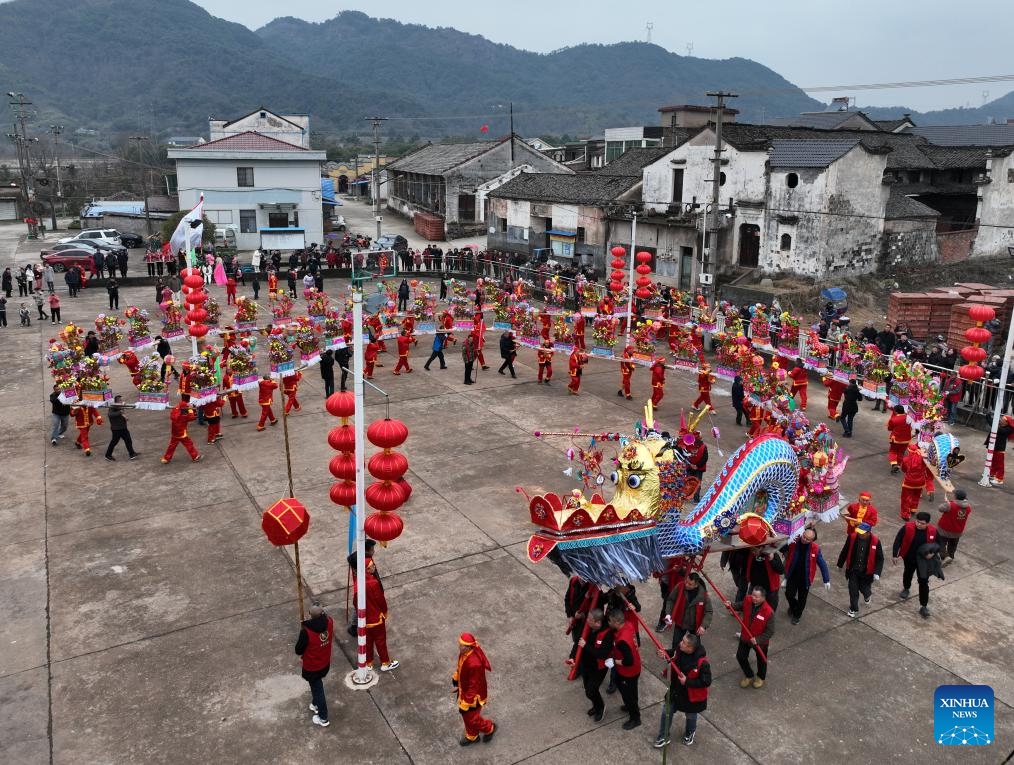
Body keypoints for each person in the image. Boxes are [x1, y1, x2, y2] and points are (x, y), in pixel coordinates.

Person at [654, 632, 711, 749]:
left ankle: (690, 732)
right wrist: (663, 653)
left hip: (691, 696)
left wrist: (687, 682)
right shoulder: (680, 649)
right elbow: (672, 653)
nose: (680, 643)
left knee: (691, 716)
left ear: (690, 648)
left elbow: (706, 681)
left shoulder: (702, 663)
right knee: (666, 711)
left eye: (684, 642)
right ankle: (663, 736)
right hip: (676, 690)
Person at [354, 554, 400, 672]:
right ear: (367, 569)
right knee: (380, 641)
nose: (374, 567)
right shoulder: (373, 583)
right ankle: (385, 662)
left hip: (364, 619)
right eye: (372, 566)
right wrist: (385, 611)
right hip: (376, 619)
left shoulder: (358, 582)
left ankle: (368, 663)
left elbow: (355, 601)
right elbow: (380, 600)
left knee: (368, 641)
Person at [294, 601, 333, 728]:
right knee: (317, 686)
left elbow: (298, 650)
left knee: (317, 689)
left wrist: (305, 625)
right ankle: (315, 704)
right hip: (325, 662)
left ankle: (323, 717)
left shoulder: (306, 632)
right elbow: (324, 617)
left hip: (312, 667)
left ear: (310, 615)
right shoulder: (330, 622)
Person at [892, 511, 938, 618]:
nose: (919, 524)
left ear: (927, 523)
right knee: (908, 573)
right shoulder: (907, 527)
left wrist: (932, 553)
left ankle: (923, 606)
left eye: (922, 523)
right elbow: (898, 540)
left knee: (923, 582)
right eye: (917, 522)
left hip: (924, 561)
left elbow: (939, 544)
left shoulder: (933, 531)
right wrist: (895, 554)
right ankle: (906, 588)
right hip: (909, 557)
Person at [453, 632, 495, 746]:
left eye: (461, 645)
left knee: (472, 719)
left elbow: (474, 686)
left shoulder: (474, 664)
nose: (459, 646)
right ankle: (472, 736)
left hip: (474, 697)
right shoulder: (464, 653)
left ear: (468, 647)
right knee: (466, 716)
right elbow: (460, 666)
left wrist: (466, 703)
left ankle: (489, 728)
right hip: (465, 691)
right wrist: (456, 676)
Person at [781, 528, 831, 624]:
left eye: (808, 539)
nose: (804, 539)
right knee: (789, 594)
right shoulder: (794, 541)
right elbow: (782, 547)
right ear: (802, 533)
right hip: (793, 575)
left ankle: (797, 615)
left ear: (812, 540)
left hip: (805, 579)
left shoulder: (815, 549)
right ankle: (794, 606)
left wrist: (826, 579)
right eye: (804, 537)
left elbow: (822, 564)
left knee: (802, 598)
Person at [837, 522, 884, 618]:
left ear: (868, 533)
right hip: (853, 570)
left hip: (867, 572)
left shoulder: (876, 541)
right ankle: (853, 609)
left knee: (864, 589)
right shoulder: (852, 537)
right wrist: (840, 564)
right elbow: (845, 550)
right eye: (859, 532)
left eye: (862, 533)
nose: (859, 535)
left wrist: (877, 572)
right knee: (853, 589)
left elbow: (880, 558)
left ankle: (867, 595)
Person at [607, 607, 642, 730]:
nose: (609, 623)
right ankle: (632, 706)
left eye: (610, 621)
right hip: (636, 667)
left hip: (628, 672)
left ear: (616, 622)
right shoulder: (628, 624)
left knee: (628, 695)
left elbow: (628, 661)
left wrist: (614, 661)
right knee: (631, 690)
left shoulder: (622, 641)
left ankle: (635, 718)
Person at [576, 609, 613, 722]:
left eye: (590, 619)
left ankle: (600, 707)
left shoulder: (607, 634)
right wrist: (573, 657)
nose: (587, 620)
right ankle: (596, 706)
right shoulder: (588, 626)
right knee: (588, 689)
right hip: (586, 664)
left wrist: (586, 646)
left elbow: (602, 654)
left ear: (598, 622)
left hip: (598, 668)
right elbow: (578, 642)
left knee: (591, 690)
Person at [735, 586, 774, 689]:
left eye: (756, 597)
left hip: (760, 642)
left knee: (761, 660)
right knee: (740, 656)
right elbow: (740, 605)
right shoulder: (748, 600)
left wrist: (758, 639)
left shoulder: (768, 612)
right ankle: (749, 674)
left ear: (763, 598)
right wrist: (731, 605)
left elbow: (770, 631)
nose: (753, 598)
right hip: (745, 636)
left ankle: (761, 677)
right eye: (753, 595)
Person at [661, 571, 712, 642]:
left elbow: (709, 611)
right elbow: (670, 600)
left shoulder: (704, 595)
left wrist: (703, 626)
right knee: (675, 644)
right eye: (686, 582)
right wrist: (668, 614)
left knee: (695, 646)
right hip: (680, 623)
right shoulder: (680, 586)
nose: (686, 585)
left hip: (695, 626)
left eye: (690, 584)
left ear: (696, 585)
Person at [936, 488, 972, 564]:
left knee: (940, 542)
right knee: (953, 545)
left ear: (956, 496)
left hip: (945, 529)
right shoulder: (968, 507)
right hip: (957, 531)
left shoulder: (950, 505)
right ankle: (951, 557)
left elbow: (940, 508)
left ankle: (945, 557)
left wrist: (947, 502)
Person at [899, 442, 930, 521]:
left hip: (909, 482)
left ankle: (905, 514)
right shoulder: (922, 458)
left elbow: (904, 470)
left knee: (906, 498)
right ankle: (913, 509)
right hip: (920, 482)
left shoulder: (906, 459)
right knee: (916, 495)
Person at [104, 395, 139, 461]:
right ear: (117, 401)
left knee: (128, 440)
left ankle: (132, 454)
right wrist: (120, 412)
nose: (122, 401)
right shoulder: (112, 407)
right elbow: (110, 415)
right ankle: (108, 455)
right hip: (116, 429)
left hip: (123, 428)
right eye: (121, 400)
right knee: (114, 442)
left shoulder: (120, 407)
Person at [986, 414, 1013, 486]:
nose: (1000, 420)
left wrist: (989, 418)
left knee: (1000, 465)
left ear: (1006, 422)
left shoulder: (1008, 429)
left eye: (1002, 420)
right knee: (993, 462)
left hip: (1000, 449)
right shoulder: (1001, 426)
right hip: (994, 447)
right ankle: (992, 474)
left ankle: (999, 479)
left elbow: (996, 428)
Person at [886, 404, 911, 472]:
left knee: (893, 451)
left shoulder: (894, 419)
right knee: (901, 453)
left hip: (896, 439)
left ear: (896, 411)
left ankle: (894, 464)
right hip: (906, 439)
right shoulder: (908, 418)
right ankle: (898, 465)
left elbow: (889, 428)